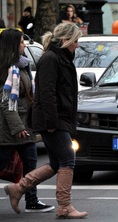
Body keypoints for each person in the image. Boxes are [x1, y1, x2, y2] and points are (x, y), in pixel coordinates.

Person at [4, 22, 87, 219]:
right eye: (75, 41)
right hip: (54, 120)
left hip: (58, 119)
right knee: (68, 160)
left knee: (57, 163)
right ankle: (65, 206)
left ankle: (18, 188)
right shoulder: (52, 59)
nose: (77, 45)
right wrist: (51, 123)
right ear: (65, 40)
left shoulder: (60, 57)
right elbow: (47, 93)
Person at [0, 28, 54, 213]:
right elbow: (6, 103)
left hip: (25, 124)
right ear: (13, 45)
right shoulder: (5, 68)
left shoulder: (22, 65)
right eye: (22, 42)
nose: (25, 44)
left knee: (30, 162)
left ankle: (32, 201)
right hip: (9, 128)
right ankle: (31, 199)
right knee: (2, 163)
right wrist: (17, 128)